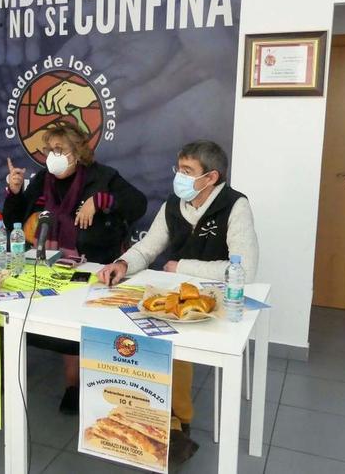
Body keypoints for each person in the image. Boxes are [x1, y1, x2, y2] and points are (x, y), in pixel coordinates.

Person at [97, 139, 259, 464]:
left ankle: (178, 424)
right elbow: (149, 247)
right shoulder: (174, 203)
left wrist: (182, 267)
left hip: (215, 299)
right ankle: (146, 416)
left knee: (171, 347)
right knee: (135, 335)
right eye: (179, 169)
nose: (179, 177)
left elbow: (245, 270)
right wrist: (123, 264)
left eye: (187, 171)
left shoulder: (235, 205)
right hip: (176, 298)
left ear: (211, 177)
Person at [3, 123, 147, 413]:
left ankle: (75, 385)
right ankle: (8, 373)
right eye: (49, 150)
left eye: (59, 150)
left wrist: (101, 200)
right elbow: (13, 222)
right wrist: (15, 191)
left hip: (93, 263)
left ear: (78, 152)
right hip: (45, 264)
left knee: (76, 322)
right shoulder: (43, 178)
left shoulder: (103, 176)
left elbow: (138, 205)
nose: (52, 156)